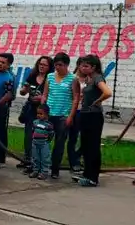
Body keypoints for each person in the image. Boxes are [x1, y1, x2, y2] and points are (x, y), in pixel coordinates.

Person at [70, 54, 113, 187]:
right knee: (85, 146)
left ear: (93, 67)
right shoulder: (88, 79)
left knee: (93, 146)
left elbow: (107, 92)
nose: (82, 68)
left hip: (93, 116)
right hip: (85, 114)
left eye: (86, 66)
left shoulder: (97, 78)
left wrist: (97, 101)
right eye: (81, 65)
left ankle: (93, 177)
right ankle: (86, 173)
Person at [42, 52, 75, 179]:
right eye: (56, 65)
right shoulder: (50, 76)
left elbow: (75, 98)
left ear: (66, 65)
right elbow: (45, 93)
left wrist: (70, 116)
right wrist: (42, 107)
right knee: (43, 141)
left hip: (63, 115)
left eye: (60, 65)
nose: (58, 68)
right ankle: (42, 166)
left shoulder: (72, 79)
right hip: (49, 113)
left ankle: (55, 168)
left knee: (59, 143)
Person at [18, 56, 52, 173]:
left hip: (43, 112)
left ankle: (39, 164)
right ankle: (28, 161)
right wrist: (24, 90)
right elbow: (23, 90)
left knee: (40, 138)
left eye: (45, 65)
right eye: (40, 64)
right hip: (31, 110)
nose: (42, 66)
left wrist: (42, 98)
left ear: (49, 67)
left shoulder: (50, 78)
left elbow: (51, 95)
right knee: (28, 136)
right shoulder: (32, 76)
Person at [0, 53, 16, 166]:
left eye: (3, 62)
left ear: (9, 64)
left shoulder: (9, 77)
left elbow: (9, 95)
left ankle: (0, 158)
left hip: (0, 108)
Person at [26, 104, 56, 179]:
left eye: (41, 114)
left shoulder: (49, 125)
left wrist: (47, 141)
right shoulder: (35, 122)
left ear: (46, 114)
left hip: (44, 144)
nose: (38, 115)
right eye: (38, 113)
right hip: (35, 143)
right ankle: (35, 171)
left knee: (44, 158)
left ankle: (44, 172)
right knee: (35, 157)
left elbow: (51, 134)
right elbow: (33, 131)